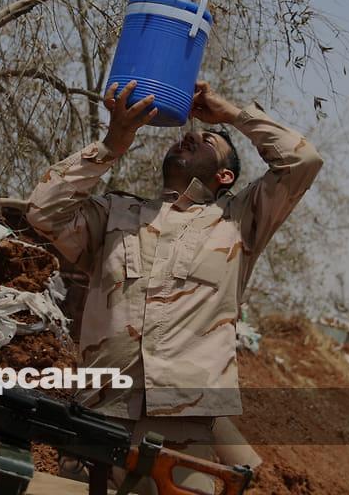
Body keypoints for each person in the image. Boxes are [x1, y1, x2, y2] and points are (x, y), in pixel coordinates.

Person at [26, 79, 323, 492]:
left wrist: (232, 114)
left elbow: (302, 160)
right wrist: (111, 144)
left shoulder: (239, 221)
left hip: (183, 429)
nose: (191, 136)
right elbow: (43, 211)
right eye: (190, 135)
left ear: (224, 175)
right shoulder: (115, 214)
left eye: (207, 141)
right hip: (98, 416)